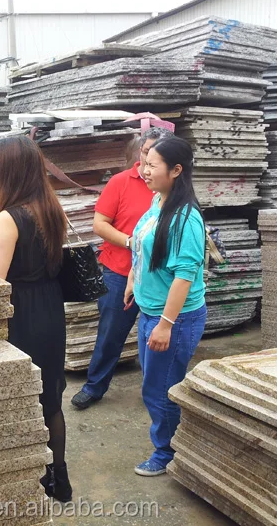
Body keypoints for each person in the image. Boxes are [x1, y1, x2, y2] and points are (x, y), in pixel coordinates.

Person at [0, 136, 73, 502]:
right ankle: (59, 478)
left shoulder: (9, 217)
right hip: (50, 307)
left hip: (20, 311)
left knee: (21, 394)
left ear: (11, 171)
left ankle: (27, 474)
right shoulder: (50, 208)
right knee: (50, 397)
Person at [71, 127, 174, 410]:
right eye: (146, 153)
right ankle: (94, 387)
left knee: (159, 335)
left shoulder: (171, 186)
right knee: (110, 334)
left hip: (159, 276)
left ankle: (159, 390)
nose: (148, 162)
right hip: (119, 272)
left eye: (156, 156)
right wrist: (133, 242)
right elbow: (99, 224)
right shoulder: (120, 182)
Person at [124, 136, 207, 477]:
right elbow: (143, 245)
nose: (145, 171)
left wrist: (166, 324)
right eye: (144, 163)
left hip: (174, 319)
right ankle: (172, 442)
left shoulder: (186, 219)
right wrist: (133, 279)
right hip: (151, 312)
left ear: (176, 170)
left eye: (152, 165)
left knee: (161, 390)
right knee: (155, 385)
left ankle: (168, 452)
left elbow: (185, 276)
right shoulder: (158, 201)